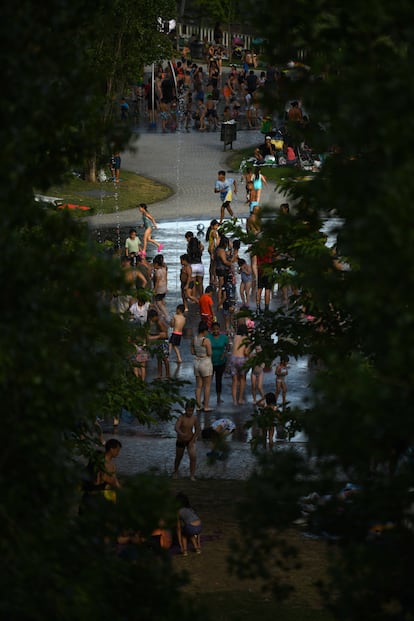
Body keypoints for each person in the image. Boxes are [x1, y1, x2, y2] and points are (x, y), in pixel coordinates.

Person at [173, 400, 201, 481]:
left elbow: (198, 429)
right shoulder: (181, 417)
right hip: (181, 440)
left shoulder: (194, 418)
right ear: (185, 409)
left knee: (193, 457)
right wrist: (181, 433)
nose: (190, 412)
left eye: (192, 411)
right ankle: (175, 472)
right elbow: (176, 427)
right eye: (188, 410)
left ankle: (192, 475)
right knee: (178, 457)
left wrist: (193, 440)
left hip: (190, 440)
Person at [191, 321, 213, 412]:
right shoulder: (206, 340)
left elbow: (192, 352)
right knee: (207, 386)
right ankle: (206, 406)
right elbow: (209, 353)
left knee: (198, 386)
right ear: (204, 331)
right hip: (205, 362)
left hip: (196, 362)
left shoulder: (194, 339)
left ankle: (198, 406)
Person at [207, 321, 229, 405]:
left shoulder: (224, 337)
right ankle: (206, 398)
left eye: (217, 329)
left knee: (218, 380)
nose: (216, 331)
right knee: (208, 381)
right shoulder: (208, 337)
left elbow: (227, 347)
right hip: (210, 362)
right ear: (211, 330)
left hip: (221, 362)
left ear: (219, 329)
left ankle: (218, 398)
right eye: (214, 329)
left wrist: (224, 354)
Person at [229, 324, 250, 406]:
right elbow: (246, 352)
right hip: (241, 359)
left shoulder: (235, 337)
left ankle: (234, 401)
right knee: (242, 379)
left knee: (234, 381)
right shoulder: (246, 339)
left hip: (233, 359)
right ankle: (240, 399)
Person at [146, 308, 170, 378]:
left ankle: (167, 374)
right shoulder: (157, 321)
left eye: (151, 318)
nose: (151, 320)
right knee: (159, 358)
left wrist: (156, 336)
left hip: (163, 342)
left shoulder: (159, 322)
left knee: (165, 359)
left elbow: (165, 333)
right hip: (160, 341)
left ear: (155, 317)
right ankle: (160, 374)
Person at [185, 231, 204, 299]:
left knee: (193, 284)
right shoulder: (198, 245)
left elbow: (188, 254)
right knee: (200, 283)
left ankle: (194, 297)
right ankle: (202, 297)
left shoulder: (189, 246)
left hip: (192, 266)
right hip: (200, 265)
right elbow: (202, 248)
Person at [152, 254, 169, 321]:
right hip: (164, 288)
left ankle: (166, 315)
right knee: (161, 301)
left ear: (156, 264)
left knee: (158, 303)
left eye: (154, 264)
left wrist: (155, 290)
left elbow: (157, 282)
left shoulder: (158, 272)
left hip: (159, 289)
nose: (153, 266)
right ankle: (161, 314)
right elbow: (166, 278)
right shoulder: (164, 269)